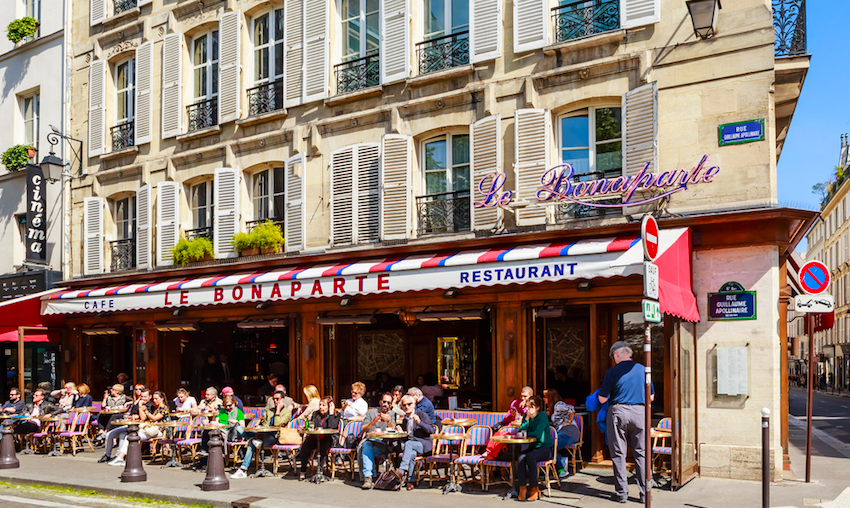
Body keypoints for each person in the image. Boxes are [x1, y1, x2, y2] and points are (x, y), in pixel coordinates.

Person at [598, 341, 654, 504]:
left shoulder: (612, 371)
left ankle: (622, 493)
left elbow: (602, 398)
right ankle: (645, 493)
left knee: (618, 454)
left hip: (619, 413)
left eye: (613, 357)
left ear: (616, 354)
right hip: (640, 413)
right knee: (642, 454)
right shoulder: (644, 370)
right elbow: (651, 397)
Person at [230, 390, 292, 479]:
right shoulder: (270, 411)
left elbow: (277, 425)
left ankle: (243, 470)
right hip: (264, 434)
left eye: (277, 399)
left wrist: (278, 411)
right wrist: (259, 428)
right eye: (273, 399)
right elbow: (265, 425)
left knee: (251, 442)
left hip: (275, 437)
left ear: (283, 400)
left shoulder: (287, 412)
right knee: (239, 428)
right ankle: (255, 439)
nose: (275, 401)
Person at [108, 390, 169, 466]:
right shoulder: (156, 408)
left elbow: (154, 418)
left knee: (133, 437)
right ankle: (121, 457)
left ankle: (122, 458)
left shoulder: (164, 409)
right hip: (149, 429)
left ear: (162, 398)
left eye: (156, 399)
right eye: (154, 399)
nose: (154, 400)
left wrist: (145, 411)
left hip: (157, 430)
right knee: (128, 435)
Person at [514, 396, 554, 501]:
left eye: (531, 407)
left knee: (530, 456)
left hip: (545, 448)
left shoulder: (542, 416)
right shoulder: (526, 416)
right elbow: (520, 430)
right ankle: (522, 488)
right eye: (527, 407)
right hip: (533, 447)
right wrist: (527, 420)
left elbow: (537, 433)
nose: (528, 409)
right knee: (521, 457)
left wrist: (525, 433)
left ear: (537, 407)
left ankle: (534, 488)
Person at [99, 388, 153, 463]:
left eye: (145, 397)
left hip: (140, 428)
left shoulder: (150, 405)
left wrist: (138, 412)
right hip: (130, 426)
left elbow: (144, 418)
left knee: (123, 435)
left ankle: (119, 456)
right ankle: (107, 455)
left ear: (150, 396)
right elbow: (130, 415)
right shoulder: (137, 404)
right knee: (109, 434)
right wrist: (131, 416)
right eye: (141, 396)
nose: (143, 398)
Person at [395, 394, 434, 490]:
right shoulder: (405, 420)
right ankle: (411, 481)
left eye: (409, 404)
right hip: (411, 446)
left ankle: (401, 471)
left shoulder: (421, 415)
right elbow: (406, 437)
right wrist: (401, 433)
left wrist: (420, 422)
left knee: (409, 445)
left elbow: (431, 430)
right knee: (411, 454)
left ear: (414, 405)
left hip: (423, 444)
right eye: (404, 405)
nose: (407, 407)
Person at [358, 392, 395, 489]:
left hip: (383, 444)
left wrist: (389, 421)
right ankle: (368, 477)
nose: (386, 404)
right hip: (370, 441)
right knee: (366, 446)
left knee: (366, 448)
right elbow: (363, 429)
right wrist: (373, 421)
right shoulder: (371, 413)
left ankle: (371, 476)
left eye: (388, 403)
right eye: (384, 401)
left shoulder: (392, 414)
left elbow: (393, 429)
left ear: (391, 405)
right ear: (380, 402)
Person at [298, 396, 339, 481]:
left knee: (322, 447)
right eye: (320, 405)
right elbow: (313, 426)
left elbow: (332, 427)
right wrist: (306, 428)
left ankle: (320, 471)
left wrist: (331, 413)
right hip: (315, 437)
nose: (321, 407)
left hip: (328, 438)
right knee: (305, 446)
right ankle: (303, 471)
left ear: (330, 406)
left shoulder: (335, 415)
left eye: (323, 405)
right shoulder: (315, 414)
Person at [546, 388, 580, 479]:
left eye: (545, 397)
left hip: (569, 432)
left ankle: (562, 470)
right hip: (563, 432)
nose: (544, 399)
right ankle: (562, 460)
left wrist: (570, 420)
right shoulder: (552, 408)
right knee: (550, 444)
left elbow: (571, 408)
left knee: (552, 446)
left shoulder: (559, 405)